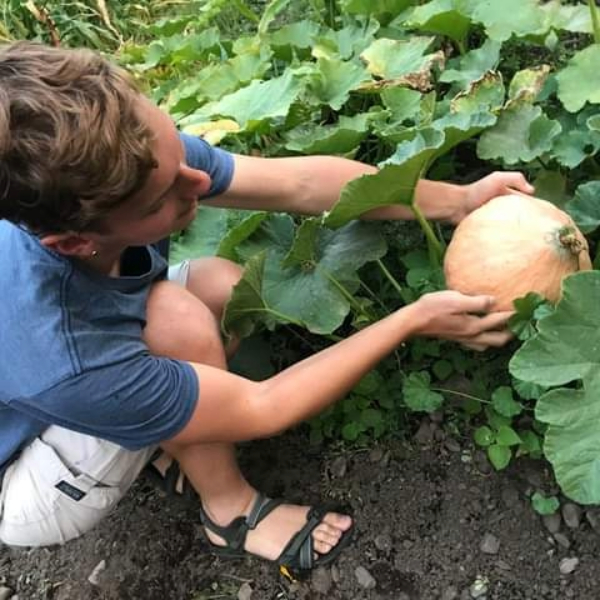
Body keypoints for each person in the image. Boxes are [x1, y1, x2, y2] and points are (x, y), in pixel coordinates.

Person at [0, 41, 532, 570]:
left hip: (66, 382)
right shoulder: (58, 351)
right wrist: (410, 319)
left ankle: (160, 434)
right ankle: (231, 514)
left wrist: (458, 200)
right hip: (28, 480)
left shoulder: (122, 157)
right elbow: (262, 407)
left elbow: (298, 183)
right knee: (176, 319)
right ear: (72, 242)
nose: (199, 183)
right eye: (162, 199)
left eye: (180, 158)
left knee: (223, 287)